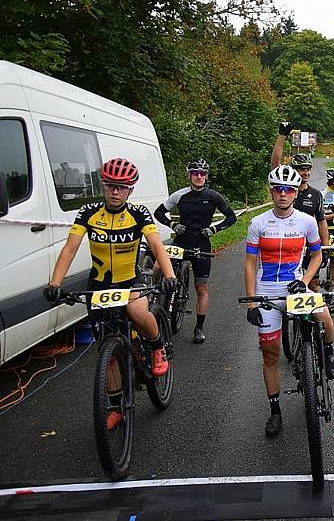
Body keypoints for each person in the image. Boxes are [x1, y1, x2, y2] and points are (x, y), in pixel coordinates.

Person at [43, 158, 178, 429]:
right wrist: (55, 283)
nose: (115, 192)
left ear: (130, 190)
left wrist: (170, 276)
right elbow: (70, 248)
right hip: (101, 285)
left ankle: (157, 346)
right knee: (107, 347)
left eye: (121, 187)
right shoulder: (89, 212)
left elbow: (156, 245)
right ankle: (116, 406)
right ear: (103, 186)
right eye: (109, 186)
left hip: (130, 280)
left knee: (137, 311)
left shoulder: (139, 214)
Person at [244, 166, 334, 437]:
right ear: (272, 192)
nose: (283, 194)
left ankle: (329, 355)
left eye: (288, 190)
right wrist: (252, 302)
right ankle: (275, 411)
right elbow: (250, 265)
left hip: (296, 286)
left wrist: (306, 279)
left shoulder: (306, 222)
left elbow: (318, 255)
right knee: (270, 351)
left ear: (296, 193)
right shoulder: (258, 223)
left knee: (324, 316)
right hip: (266, 289)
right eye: (278, 189)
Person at [154, 159, 237, 344]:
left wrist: (215, 229)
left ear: (206, 176)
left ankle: (199, 328)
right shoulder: (179, 195)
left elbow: (231, 217)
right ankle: (156, 297)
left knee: (201, 288)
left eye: (202, 173)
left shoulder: (213, 196)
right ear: (189, 175)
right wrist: (172, 224)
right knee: (158, 266)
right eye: (195, 173)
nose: (199, 177)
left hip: (202, 244)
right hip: (181, 242)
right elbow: (158, 213)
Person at [270, 122, 329, 285]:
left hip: (309, 246)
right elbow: (275, 165)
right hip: (287, 245)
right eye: (302, 169)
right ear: (294, 171)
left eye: (308, 169)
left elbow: (322, 222)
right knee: (286, 286)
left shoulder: (316, 194)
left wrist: (325, 248)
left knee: (313, 286)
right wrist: (282, 136)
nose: (306, 173)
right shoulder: (285, 190)